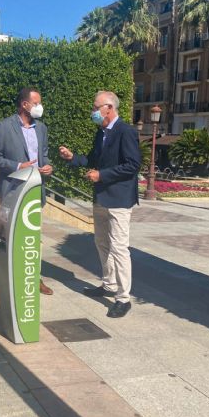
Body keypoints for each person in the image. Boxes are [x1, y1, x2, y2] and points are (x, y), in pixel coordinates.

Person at [58, 91, 140, 318]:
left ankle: (123, 298)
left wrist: (102, 175)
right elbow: (92, 160)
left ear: (109, 108)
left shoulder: (126, 131)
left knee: (119, 248)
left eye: (96, 107)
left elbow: (133, 165)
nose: (93, 111)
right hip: (101, 197)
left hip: (119, 200)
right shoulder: (101, 132)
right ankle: (109, 284)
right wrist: (72, 157)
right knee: (101, 242)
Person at [0, 87, 54, 296]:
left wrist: (48, 166)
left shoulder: (41, 128)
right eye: (36, 103)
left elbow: (44, 154)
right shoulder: (4, 126)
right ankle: (5, 281)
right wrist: (18, 166)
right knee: (9, 236)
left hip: (34, 190)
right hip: (11, 190)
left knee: (33, 237)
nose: (39, 107)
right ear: (25, 105)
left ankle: (34, 278)